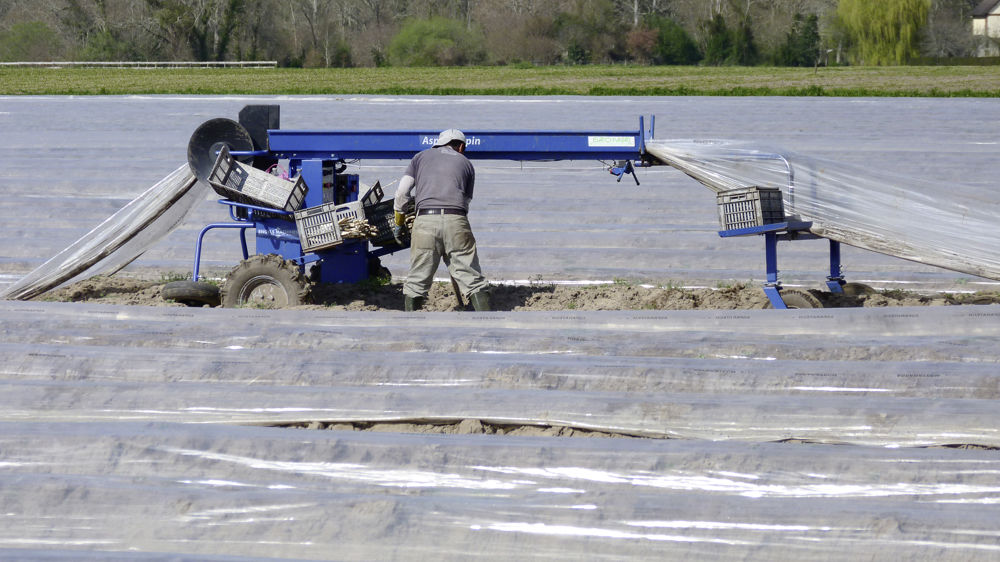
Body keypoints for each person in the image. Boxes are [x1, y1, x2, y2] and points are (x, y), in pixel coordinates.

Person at [393, 128, 490, 311]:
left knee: (417, 279)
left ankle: (411, 322)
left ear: (438, 144)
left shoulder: (419, 157)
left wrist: (399, 221)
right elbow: (466, 201)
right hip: (456, 219)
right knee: (472, 279)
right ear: (461, 147)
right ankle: (486, 320)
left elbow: (402, 192)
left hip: (425, 220)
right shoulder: (466, 163)